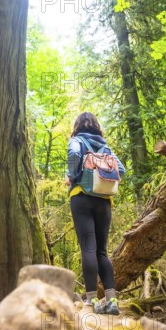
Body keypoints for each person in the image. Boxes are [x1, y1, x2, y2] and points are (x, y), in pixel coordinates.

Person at [66, 112, 125, 315]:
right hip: (104, 202)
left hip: (81, 198)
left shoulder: (77, 141)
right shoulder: (105, 146)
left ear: (78, 125)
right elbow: (121, 170)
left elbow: (74, 155)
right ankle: (112, 301)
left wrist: (72, 176)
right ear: (96, 126)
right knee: (102, 251)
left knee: (88, 249)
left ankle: (92, 301)